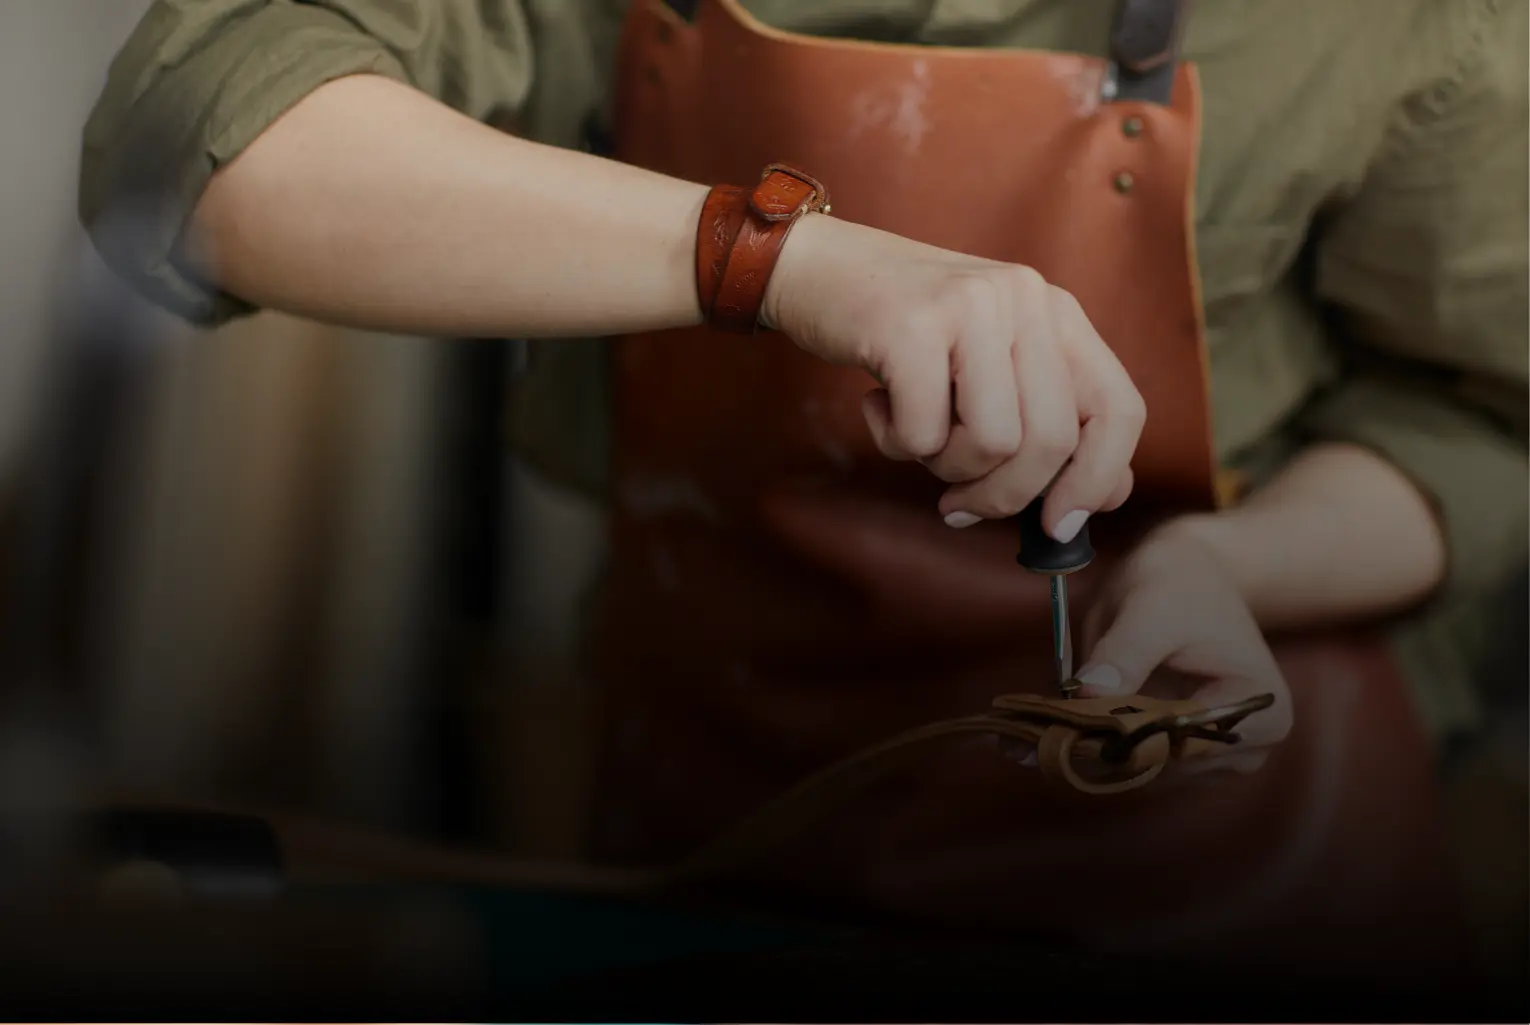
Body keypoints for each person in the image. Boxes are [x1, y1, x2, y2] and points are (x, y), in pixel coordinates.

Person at [80, 0, 1525, 978]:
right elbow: (196, 136)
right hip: (719, 801)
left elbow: (1477, 418)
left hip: (1232, 874)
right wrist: (784, 260)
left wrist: (1237, 567)